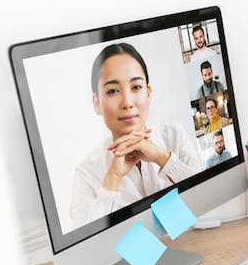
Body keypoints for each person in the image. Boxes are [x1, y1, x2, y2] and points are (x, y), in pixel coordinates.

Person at [70, 42, 203, 229]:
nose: (127, 102)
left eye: (136, 87)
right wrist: (113, 178)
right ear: (97, 103)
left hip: (190, 242)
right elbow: (85, 247)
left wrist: (162, 158)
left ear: (148, 93)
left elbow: (206, 199)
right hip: (127, 258)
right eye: (112, 91)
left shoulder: (174, 135)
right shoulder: (87, 172)